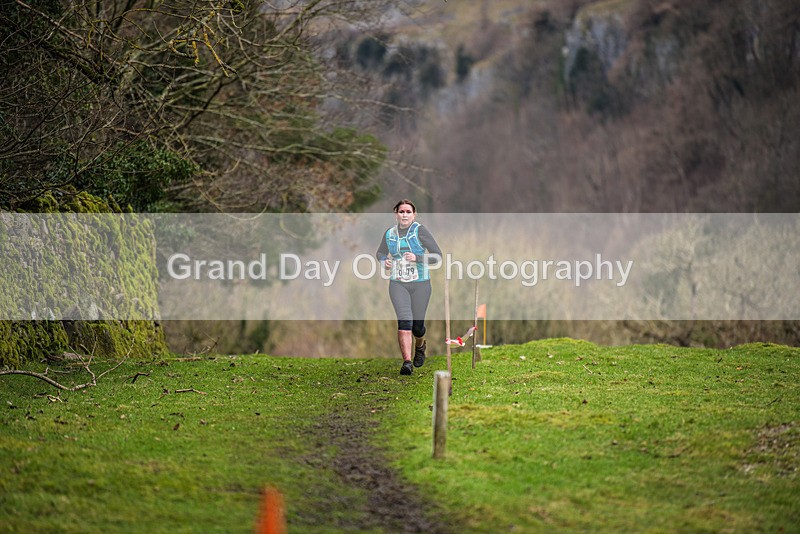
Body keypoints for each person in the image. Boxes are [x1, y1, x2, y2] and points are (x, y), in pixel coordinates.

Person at [376, 199, 442, 375]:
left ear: (414, 214)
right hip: (398, 283)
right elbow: (380, 252)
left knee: (417, 326)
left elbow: (438, 256)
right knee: (405, 321)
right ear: (395, 214)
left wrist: (418, 258)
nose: (404, 215)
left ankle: (420, 346)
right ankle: (406, 362)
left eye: (408, 212)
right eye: (401, 211)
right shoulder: (389, 234)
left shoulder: (420, 231)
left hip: (421, 284)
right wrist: (384, 260)